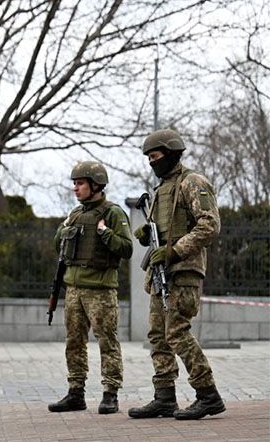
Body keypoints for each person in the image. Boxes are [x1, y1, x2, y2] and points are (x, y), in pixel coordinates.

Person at [128, 129, 225, 420]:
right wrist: (148, 234)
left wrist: (174, 251)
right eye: (148, 158)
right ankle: (164, 397)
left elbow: (209, 225)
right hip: (162, 274)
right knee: (158, 336)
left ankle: (208, 394)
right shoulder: (161, 189)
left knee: (177, 333)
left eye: (155, 157)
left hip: (183, 272)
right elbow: (163, 232)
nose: (151, 163)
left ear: (170, 154)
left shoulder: (192, 182)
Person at [49, 161, 132, 414]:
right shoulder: (74, 214)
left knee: (107, 341)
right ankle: (76, 392)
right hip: (74, 289)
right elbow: (58, 248)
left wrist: (106, 234)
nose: (76, 188)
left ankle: (111, 393)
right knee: (74, 341)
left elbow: (127, 249)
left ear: (96, 185)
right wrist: (62, 229)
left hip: (100, 290)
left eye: (80, 183)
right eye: (74, 183)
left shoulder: (113, 213)